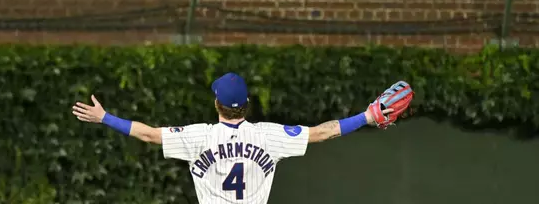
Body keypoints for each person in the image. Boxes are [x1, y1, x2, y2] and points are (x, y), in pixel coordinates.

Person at [72, 73, 413, 204]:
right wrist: (368, 116)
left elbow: (147, 134)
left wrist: (104, 117)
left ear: (216, 102)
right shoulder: (269, 136)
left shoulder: (198, 137)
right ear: (247, 104)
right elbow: (323, 132)